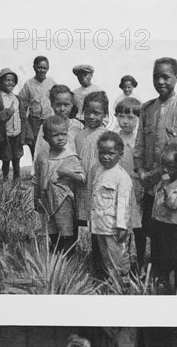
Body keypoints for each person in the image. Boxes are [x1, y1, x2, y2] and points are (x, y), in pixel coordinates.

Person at [134, 57, 177, 272]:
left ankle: (174, 282)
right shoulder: (147, 108)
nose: (160, 81)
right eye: (156, 77)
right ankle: (153, 276)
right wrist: (141, 171)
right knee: (152, 232)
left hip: (172, 187)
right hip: (150, 186)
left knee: (174, 237)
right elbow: (140, 145)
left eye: (166, 77)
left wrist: (164, 177)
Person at [32, 116, 85, 254]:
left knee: (66, 229)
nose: (61, 138)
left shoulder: (70, 157)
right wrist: (35, 197)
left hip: (64, 200)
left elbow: (82, 178)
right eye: (55, 135)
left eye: (63, 134)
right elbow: (37, 178)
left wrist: (66, 172)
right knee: (51, 229)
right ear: (46, 138)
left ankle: (68, 258)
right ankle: (55, 254)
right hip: (46, 199)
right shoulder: (42, 155)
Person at [75, 91, 110, 276]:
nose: (91, 116)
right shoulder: (79, 135)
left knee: (99, 227)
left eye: (96, 113)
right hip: (82, 186)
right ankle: (76, 262)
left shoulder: (107, 135)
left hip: (99, 188)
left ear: (105, 114)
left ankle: (101, 267)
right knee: (82, 222)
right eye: (88, 111)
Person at [150, 143, 177, 294]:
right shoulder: (163, 179)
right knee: (159, 257)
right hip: (159, 226)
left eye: (171, 166)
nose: (165, 169)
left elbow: (173, 204)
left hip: (174, 230)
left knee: (174, 261)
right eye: (163, 165)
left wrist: (167, 187)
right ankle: (161, 283)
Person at [90, 131, 132, 279]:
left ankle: (124, 284)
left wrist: (122, 226)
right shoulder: (98, 170)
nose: (105, 157)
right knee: (106, 259)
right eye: (102, 153)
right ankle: (112, 284)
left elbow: (124, 204)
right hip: (100, 226)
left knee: (118, 258)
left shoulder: (122, 177)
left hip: (114, 228)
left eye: (111, 153)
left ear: (120, 154)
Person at [115, 97, 145, 273]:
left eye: (131, 117)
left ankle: (140, 261)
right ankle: (122, 263)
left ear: (139, 120)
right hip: (119, 188)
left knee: (138, 226)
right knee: (122, 225)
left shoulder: (139, 140)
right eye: (121, 116)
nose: (125, 121)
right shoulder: (114, 138)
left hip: (136, 186)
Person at [18, 56, 57, 160]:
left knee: (51, 143)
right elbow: (21, 101)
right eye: (39, 67)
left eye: (44, 68)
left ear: (48, 68)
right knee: (35, 145)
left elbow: (57, 97)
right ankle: (35, 171)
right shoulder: (29, 84)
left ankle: (50, 170)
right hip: (35, 120)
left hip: (49, 119)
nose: (42, 70)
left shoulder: (51, 82)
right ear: (34, 67)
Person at [32, 85, 82, 161]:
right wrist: (35, 171)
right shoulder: (46, 126)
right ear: (52, 105)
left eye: (66, 105)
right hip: (52, 167)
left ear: (72, 105)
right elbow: (39, 150)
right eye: (58, 105)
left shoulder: (78, 126)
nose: (62, 109)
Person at [0, 68, 28, 182]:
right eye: (7, 80)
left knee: (17, 157)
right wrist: (8, 112)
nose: (11, 83)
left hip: (17, 133)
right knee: (6, 158)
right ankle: (5, 179)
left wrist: (24, 134)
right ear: (0, 82)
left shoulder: (17, 98)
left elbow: (23, 118)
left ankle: (16, 180)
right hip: (4, 135)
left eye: (13, 80)